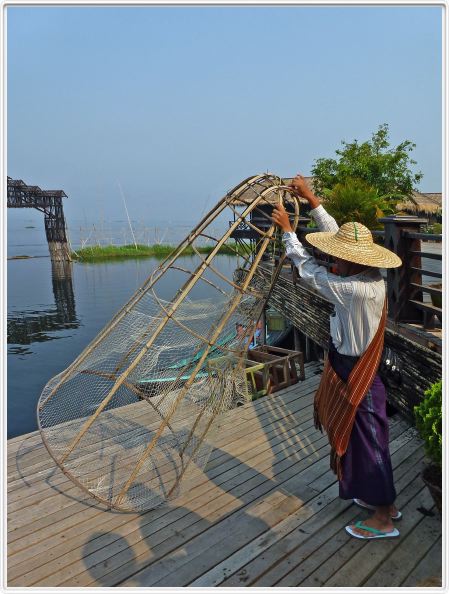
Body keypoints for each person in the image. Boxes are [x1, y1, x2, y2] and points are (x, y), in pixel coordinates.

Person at [271, 173, 402, 540]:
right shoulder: (369, 277)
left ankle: (382, 519)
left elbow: (309, 272)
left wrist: (287, 232)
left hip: (357, 371)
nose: (333, 260)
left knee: (369, 441)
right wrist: (312, 200)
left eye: (339, 258)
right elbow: (331, 239)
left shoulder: (353, 290)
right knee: (366, 438)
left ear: (351, 263)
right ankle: (385, 504)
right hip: (356, 366)